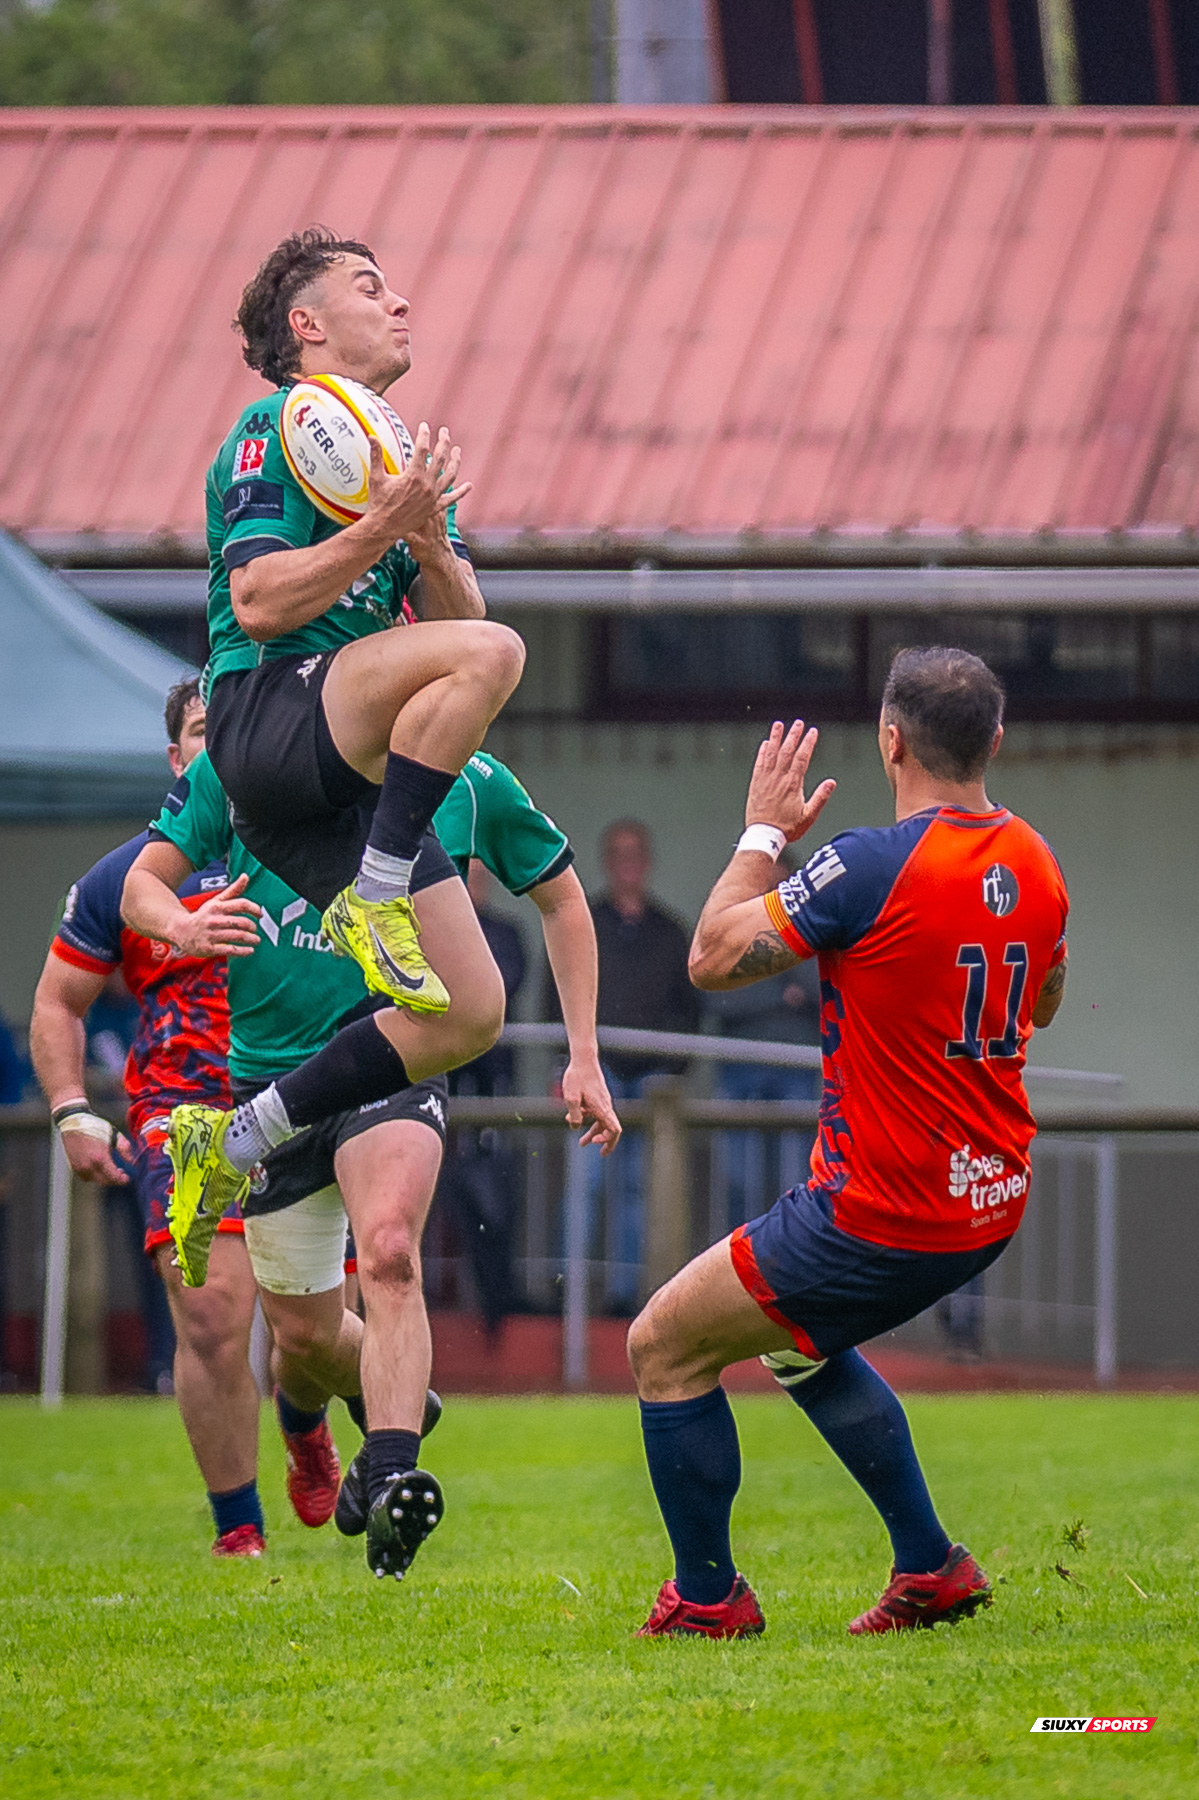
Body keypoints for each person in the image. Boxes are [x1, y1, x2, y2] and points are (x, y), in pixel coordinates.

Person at [627, 647, 1069, 1640]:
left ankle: (706, 1600)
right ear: (994, 742)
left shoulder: (869, 863)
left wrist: (761, 834)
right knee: (791, 1342)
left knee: (661, 1345)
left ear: (888, 739)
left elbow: (708, 955)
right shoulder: (1034, 861)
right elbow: (1042, 992)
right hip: (989, 1196)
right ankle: (929, 1568)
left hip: (882, 1209)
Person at [122, 747, 619, 1581]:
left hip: (397, 1057)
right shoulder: (247, 765)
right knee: (304, 1341)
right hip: (268, 1081)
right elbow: (141, 883)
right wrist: (180, 924)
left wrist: (583, 1052)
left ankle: (390, 1479)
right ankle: (336, 1413)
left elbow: (563, 897)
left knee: (389, 1253)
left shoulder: (470, 779)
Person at [176, 225, 526, 1219]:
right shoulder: (275, 422)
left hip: (336, 780)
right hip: (267, 719)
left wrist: (423, 536)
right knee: (498, 652)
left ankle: (239, 1134)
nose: (400, 303)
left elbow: (461, 627)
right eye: (372, 288)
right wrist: (384, 524)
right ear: (308, 324)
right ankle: (376, 890)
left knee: (471, 1009)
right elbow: (257, 602)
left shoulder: (394, 455)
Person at [28, 679, 266, 1558]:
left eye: (234, 728)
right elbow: (58, 1004)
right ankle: (239, 1532)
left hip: (307, 1102)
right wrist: (70, 1113)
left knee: (319, 1336)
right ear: (177, 759)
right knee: (211, 1320)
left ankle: (319, 1421)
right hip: (185, 1118)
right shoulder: (125, 879)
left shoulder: (309, 851)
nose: (219, 746)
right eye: (203, 732)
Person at [547, 819, 700, 1312]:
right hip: (598, 1076)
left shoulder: (671, 932)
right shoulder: (583, 923)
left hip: (652, 1081)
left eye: (636, 852)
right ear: (607, 862)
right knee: (585, 1184)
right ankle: (568, 1293)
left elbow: (691, 1009)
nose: (628, 862)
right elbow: (554, 997)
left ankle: (623, 1297)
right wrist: (569, 1063)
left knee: (639, 1189)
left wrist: (671, 1071)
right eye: (618, 853)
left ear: (647, 861)